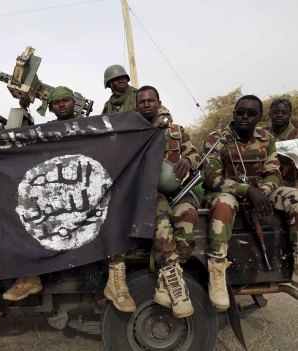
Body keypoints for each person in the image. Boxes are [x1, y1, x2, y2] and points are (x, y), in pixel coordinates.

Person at [103, 85, 201, 318]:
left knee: (188, 215)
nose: (147, 104)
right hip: (148, 192)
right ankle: (171, 277)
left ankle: (165, 280)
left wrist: (187, 159)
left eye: (151, 100)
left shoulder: (176, 130)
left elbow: (195, 154)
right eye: (142, 101)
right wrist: (147, 135)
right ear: (136, 106)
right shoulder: (131, 132)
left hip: (177, 190)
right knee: (161, 214)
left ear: (158, 102)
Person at [203, 95, 298, 311]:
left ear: (260, 117)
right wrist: (248, 191)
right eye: (240, 112)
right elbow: (213, 179)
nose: (244, 116)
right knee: (224, 204)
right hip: (225, 192)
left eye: (251, 113)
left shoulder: (267, 138)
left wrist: (262, 191)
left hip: (260, 192)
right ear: (234, 113)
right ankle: (217, 272)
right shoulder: (217, 139)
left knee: (296, 198)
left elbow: (273, 173)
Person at [3, 86, 77, 302]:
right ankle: (30, 276)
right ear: (51, 108)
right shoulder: (46, 131)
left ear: (73, 102)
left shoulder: (92, 125)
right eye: (57, 102)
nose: (62, 104)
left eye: (66, 100)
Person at [102, 64, 172, 121]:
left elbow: (163, 112)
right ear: (109, 84)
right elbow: (102, 122)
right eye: (116, 79)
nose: (121, 81)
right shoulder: (108, 105)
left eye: (123, 78)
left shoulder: (139, 96)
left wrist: (162, 119)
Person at [266, 98, 298, 187]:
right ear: (270, 114)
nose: (279, 115)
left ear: (290, 115)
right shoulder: (261, 134)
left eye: (284, 112)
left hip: (292, 188)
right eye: (275, 112)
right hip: (264, 185)